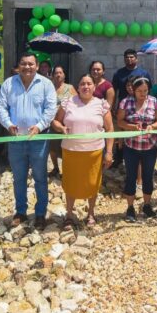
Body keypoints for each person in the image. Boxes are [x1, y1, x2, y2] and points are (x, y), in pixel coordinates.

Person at [0, 52, 58, 230]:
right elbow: (0, 107)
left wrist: (39, 126)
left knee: (40, 177)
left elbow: (50, 108)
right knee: (19, 177)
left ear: (37, 66)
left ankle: (40, 213)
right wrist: (8, 124)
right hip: (16, 139)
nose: (27, 67)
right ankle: (20, 212)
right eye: (24, 64)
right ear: (18, 66)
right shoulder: (9, 84)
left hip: (39, 138)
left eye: (31, 64)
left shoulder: (46, 84)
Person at [52, 74, 114, 228]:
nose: (86, 86)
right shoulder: (68, 103)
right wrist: (60, 127)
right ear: (78, 87)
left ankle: (91, 214)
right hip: (71, 151)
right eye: (82, 84)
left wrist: (109, 152)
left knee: (92, 183)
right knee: (71, 183)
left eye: (89, 84)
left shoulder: (102, 104)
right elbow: (55, 122)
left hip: (94, 152)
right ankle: (69, 214)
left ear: (94, 87)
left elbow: (110, 129)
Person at [117, 76, 157, 222]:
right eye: (139, 91)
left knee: (148, 176)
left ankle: (147, 205)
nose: (143, 94)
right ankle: (130, 208)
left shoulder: (154, 102)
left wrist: (151, 126)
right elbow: (120, 121)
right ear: (133, 90)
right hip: (131, 146)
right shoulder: (125, 102)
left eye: (145, 91)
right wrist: (132, 127)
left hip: (149, 146)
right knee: (131, 177)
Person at [49, 65, 77, 178]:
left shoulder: (69, 88)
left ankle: (66, 170)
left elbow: (76, 102)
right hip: (51, 122)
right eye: (56, 73)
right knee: (52, 147)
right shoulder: (49, 88)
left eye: (60, 72)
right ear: (52, 75)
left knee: (65, 147)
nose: (58, 75)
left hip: (65, 123)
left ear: (64, 75)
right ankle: (55, 168)